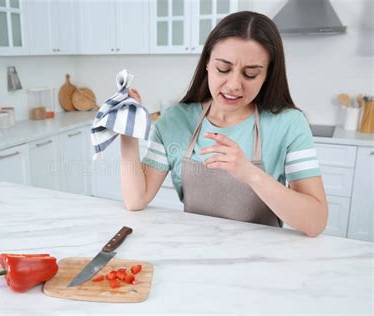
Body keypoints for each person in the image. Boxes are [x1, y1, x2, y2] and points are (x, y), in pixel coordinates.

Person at [120, 11, 328, 237]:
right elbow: (135, 199)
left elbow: (315, 222)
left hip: (262, 260)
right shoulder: (176, 120)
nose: (233, 85)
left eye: (250, 74)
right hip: (194, 251)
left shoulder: (288, 124)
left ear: (267, 75)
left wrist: (250, 173)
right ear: (207, 63)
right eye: (223, 69)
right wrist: (128, 133)